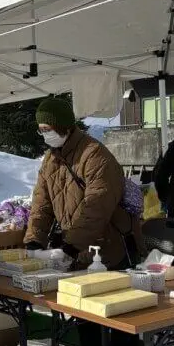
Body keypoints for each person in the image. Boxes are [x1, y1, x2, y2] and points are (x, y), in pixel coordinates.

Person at [25, 97, 143, 270]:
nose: (45, 134)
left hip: (109, 249)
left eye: (48, 129)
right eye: (41, 130)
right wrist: (34, 241)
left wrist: (71, 247)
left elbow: (97, 207)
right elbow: (41, 204)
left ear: (63, 126)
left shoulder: (94, 155)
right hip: (78, 250)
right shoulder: (50, 159)